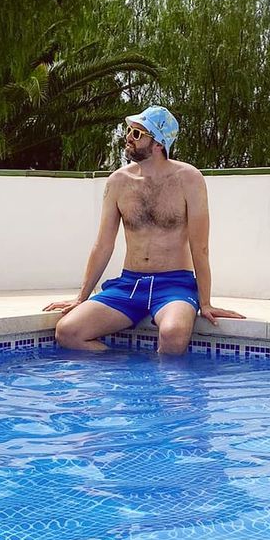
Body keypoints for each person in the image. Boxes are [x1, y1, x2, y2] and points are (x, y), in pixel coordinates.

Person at [44, 105, 245, 354]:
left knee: (173, 334)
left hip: (174, 285)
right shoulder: (118, 182)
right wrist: (81, 297)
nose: (129, 137)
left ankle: (159, 377)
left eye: (138, 133)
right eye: (129, 130)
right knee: (68, 332)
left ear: (159, 144)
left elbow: (200, 247)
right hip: (130, 284)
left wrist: (205, 303)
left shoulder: (189, 179)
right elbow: (103, 244)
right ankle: (126, 371)